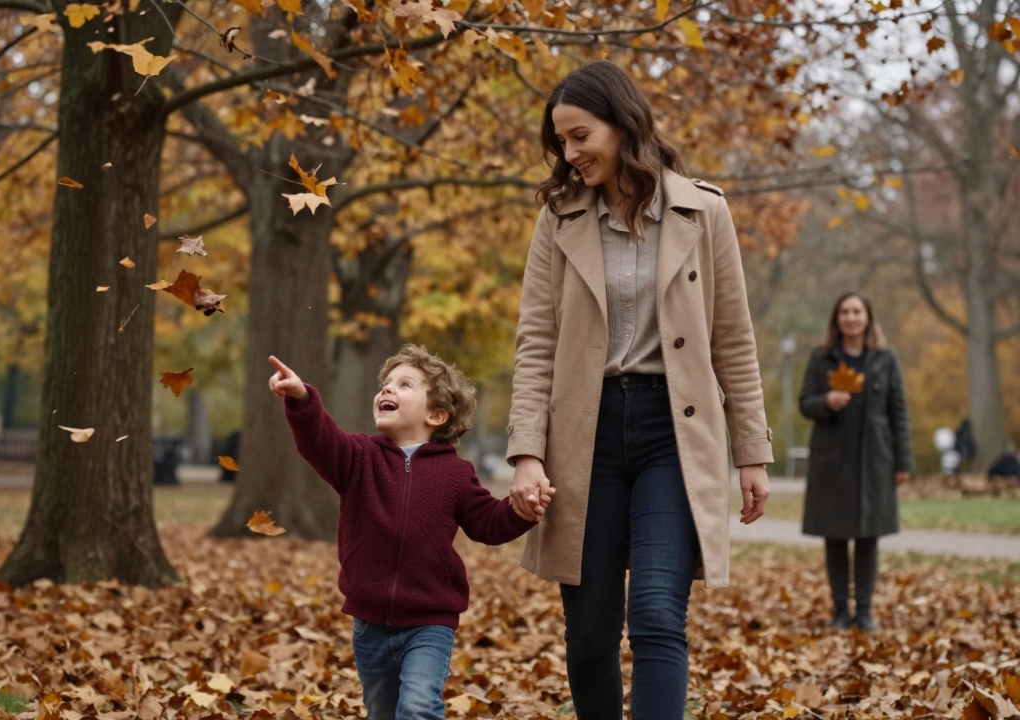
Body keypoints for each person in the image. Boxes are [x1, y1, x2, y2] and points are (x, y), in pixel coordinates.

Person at [505, 61, 774, 720]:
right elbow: (535, 342)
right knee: (591, 633)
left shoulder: (704, 212)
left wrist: (752, 452)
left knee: (657, 615)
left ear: (623, 124)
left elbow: (732, 339)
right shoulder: (560, 220)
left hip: (673, 434)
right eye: (561, 142)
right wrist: (526, 453)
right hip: (582, 438)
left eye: (579, 136)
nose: (569, 154)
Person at [269, 345, 547, 720]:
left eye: (404, 385)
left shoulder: (455, 474)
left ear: (436, 414)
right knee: (382, 712)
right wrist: (302, 399)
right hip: (369, 625)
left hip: (430, 621)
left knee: (417, 708)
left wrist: (521, 511)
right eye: (384, 384)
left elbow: (488, 524)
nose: (386, 390)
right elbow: (320, 440)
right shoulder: (358, 457)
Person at [798, 292, 912, 632]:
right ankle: (839, 611)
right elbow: (805, 403)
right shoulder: (822, 358)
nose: (851, 317)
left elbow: (899, 412)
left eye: (856, 311)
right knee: (835, 537)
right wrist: (826, 401)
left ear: (867, 317)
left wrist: (902, 460)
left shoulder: (885, 358)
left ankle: (864, 611)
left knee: (868, 537)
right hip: (832, 461)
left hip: (874, 461)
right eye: (845, 312)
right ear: (837, 319)